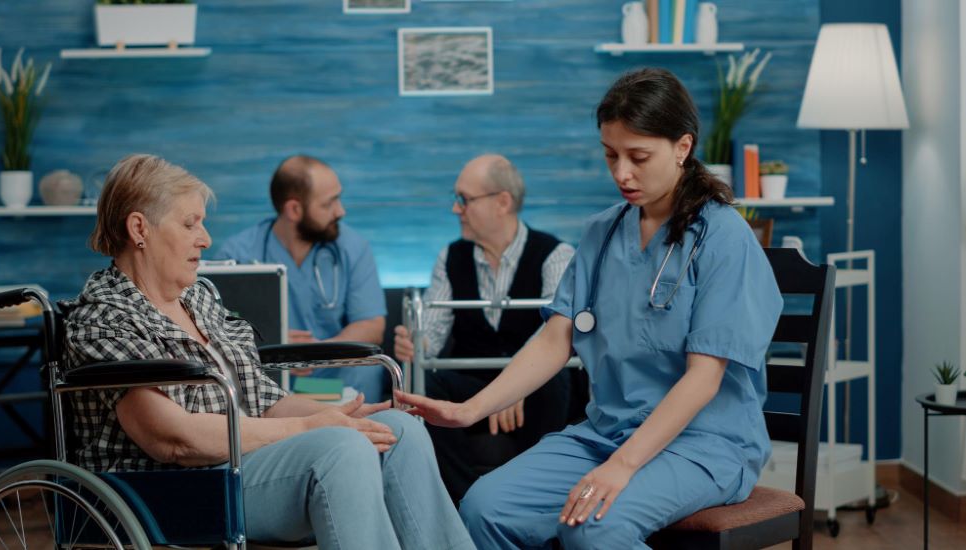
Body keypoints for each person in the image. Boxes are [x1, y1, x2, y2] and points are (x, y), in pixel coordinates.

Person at [396, 68, 784, 549]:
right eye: (610, 155)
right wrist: (469, 410)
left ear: (682, 147)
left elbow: (704, 378)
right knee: (484, 508)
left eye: (638, 157)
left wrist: (622, 466)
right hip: (606, 434)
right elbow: (555, 340)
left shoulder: (724, 237)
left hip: (703, 443)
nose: (621, 173)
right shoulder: (603, 233)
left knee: (594, 524)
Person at [63, 154, 474, 550]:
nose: (205, 239)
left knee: (400, 431)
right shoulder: (105, 317)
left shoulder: (199, 297)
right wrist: (310, 428)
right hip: (175, 488)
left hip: (243, 462)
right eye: (190, 224)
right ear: (139, 228)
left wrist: (338, 416)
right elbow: (172, 440)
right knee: (342, 450)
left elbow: (263, 400)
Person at [392, 154, 576, 504]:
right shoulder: (450, 257)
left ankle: (532, 498)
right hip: (471, 386)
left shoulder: (557, 255)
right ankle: (466, 503)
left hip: (535, 389)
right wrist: (416, 344)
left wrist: (515, 384)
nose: (455, 209)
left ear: (502, 202)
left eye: (464, 199)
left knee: (555, 379)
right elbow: (431, 337)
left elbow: (555, 331)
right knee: (425, 385)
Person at [215, 155, 388, 402]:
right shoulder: (237, 255)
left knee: (365, 374)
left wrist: (319, 353)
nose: (341, 211)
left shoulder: (352, 248)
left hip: (335, 377)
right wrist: (272, 345)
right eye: (329, 204)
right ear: (294, 210)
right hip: (268, 379)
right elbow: (216, 330)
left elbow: (371, 325)